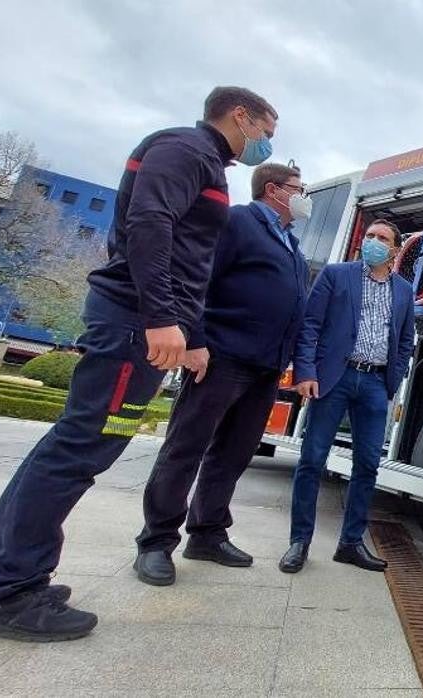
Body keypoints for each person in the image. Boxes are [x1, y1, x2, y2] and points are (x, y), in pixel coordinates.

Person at [0, 86, 278, 642]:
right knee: (78, 453)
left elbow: (187, 258)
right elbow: (150, 224)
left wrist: (193, 331)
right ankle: (11, 593)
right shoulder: (184, 149)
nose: (268, 142)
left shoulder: (204, 160)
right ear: (241, 116)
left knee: (66, 447)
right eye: (267, 130)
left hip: (147, 323)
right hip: (136, 324)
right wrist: (161, 317)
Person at [133, 163, 311, 586]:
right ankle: (156, 542)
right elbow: (199, 281)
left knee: (232, 455)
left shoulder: (292, 246)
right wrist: (195, 339)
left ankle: (208, 532)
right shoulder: (238, 222)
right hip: (221, 359)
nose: (305, 197)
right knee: (185, 448)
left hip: (265, 368)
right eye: (299, 189)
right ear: (274, 190)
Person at [278, 220, 415, 574]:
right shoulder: (336, 275)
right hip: (333, 380)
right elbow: (310, 325)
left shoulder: (403, 290)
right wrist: (306, 372)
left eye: (382, 238)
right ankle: (299, 542)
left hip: (374, 385)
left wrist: (392, 380)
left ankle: (350, 544)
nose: (373, 242)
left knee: (368, 465)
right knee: (312, 459)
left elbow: (404, 340)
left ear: (395, 249)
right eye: (369, 236)